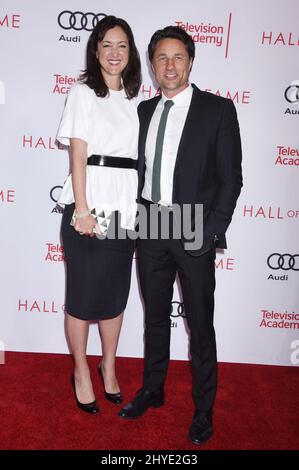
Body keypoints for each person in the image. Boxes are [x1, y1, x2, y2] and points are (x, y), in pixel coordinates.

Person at [119, 25, 242, 444]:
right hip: (151, 223)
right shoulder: (143, 111)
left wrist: (211, 232)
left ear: (190, 61)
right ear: (152, 65)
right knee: (155, 317)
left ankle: (203, 410)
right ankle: (153, 389)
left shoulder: (218, 110)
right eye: (161, 58)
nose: (169, 65)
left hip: (194, 225)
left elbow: (231, 179)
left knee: (200, 324)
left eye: (178, 57)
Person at [57, 16, 141, 414]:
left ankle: (108, 365)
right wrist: (82, 208)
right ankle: (80, 371)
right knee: (81, 298)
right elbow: (78, 154)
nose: (114, 53)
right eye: (107, 45)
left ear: (131, 53)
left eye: (122, 45)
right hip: (89, 209)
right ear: (95, 50)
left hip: (125, 211)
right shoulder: (82, 93)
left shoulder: (136, 98)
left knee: (113, 297)